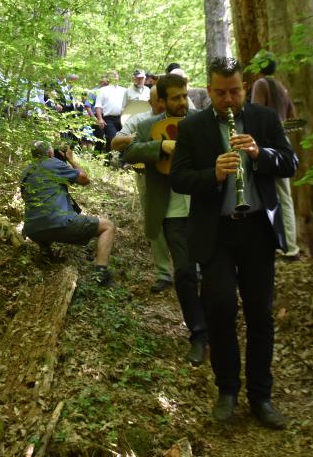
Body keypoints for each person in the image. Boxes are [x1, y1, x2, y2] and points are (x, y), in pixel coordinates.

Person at [170, 58, 297, 429]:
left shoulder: (264, 119)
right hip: (217, 233)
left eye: (236, 91)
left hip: (257, 229)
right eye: (221, 93)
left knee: (260, 314)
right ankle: (227, 389)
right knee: (221, 307)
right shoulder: (193, 126)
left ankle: (261, 396)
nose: (229, 100)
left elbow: (290, 162)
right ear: (209, 91)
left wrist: (260, 155)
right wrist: (214, 173)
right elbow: (179, 178)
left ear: (245, 87)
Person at [124, 74, 208, 365]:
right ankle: (198, 333)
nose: (182, 102)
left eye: (184, 96)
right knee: (184, 273)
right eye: (175, 98)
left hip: (204, 206)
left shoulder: (204, 120)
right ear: (162, 100)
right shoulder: (149, 125)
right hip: (172, 211)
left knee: (210, 271)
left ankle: (214, 324)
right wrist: (160, 148)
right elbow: (128, 151)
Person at [21, 141, 116, 286]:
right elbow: (84, 179)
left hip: (32, 230)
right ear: (50, 153)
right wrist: (71, 159)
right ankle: (101, 273)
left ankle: (45, 252)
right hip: (60, 224)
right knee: (108, 226)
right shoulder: (52, 163)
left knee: (42, 217)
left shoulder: (26, 171)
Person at [112, 86, 175, 292]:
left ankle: (194, 267)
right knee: (154, 223)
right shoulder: (140, 120)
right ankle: (164, 273)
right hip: (148, 177)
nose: (162, 104)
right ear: (151, 102)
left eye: (164, 100)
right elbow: (116, 142)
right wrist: (143, 140)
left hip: (179, 176)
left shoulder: (181, 116)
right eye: (158, 100)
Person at [250, 57, 302, 261]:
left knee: (264, 194)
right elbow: (292, 116)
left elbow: (255, 113)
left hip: (264, 146)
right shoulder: (282, 87)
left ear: (259, 69)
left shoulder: (260, 84)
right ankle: (291, 247)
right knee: (285, 198)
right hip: (283, 144)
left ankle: (273, 244)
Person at [93, 70, 126, 152]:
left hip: (123, 118)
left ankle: (120, 160)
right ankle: (109, 159)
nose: (114, 77)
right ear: (108, 78)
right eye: (112, 75)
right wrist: (100, 119)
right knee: (112, 138)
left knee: (123, 139)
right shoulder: (102, 90)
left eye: (115, 75)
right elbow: (98, 106)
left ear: (118, 77)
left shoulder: (124, 90)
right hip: (108, 119)